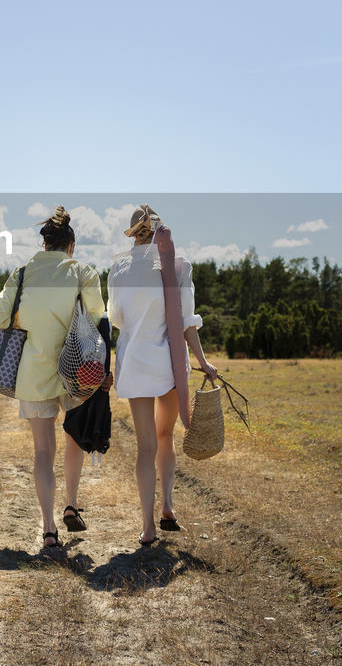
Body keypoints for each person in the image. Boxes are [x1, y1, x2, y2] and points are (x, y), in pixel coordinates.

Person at [0, 206, 105, 549]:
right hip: (76, 371)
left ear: (45, 246)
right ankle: (71, 505)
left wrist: (27, 318)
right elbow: (98, 317)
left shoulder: (22, 274)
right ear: (71, 245)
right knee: (73, 438)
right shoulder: (83, 272)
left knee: (42, 451)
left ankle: (49, 529)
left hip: (33, 373)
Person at [106, 204, 217, 546]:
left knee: (145, 446)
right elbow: (186, 323)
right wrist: (203, 362)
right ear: (159, 230)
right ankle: (168, 504)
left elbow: (117, 319)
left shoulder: (118, 268)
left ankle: (147, 526)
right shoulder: (178, 265)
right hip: (169, 362)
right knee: (165, 436)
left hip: (136, 361)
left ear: (133, 233)